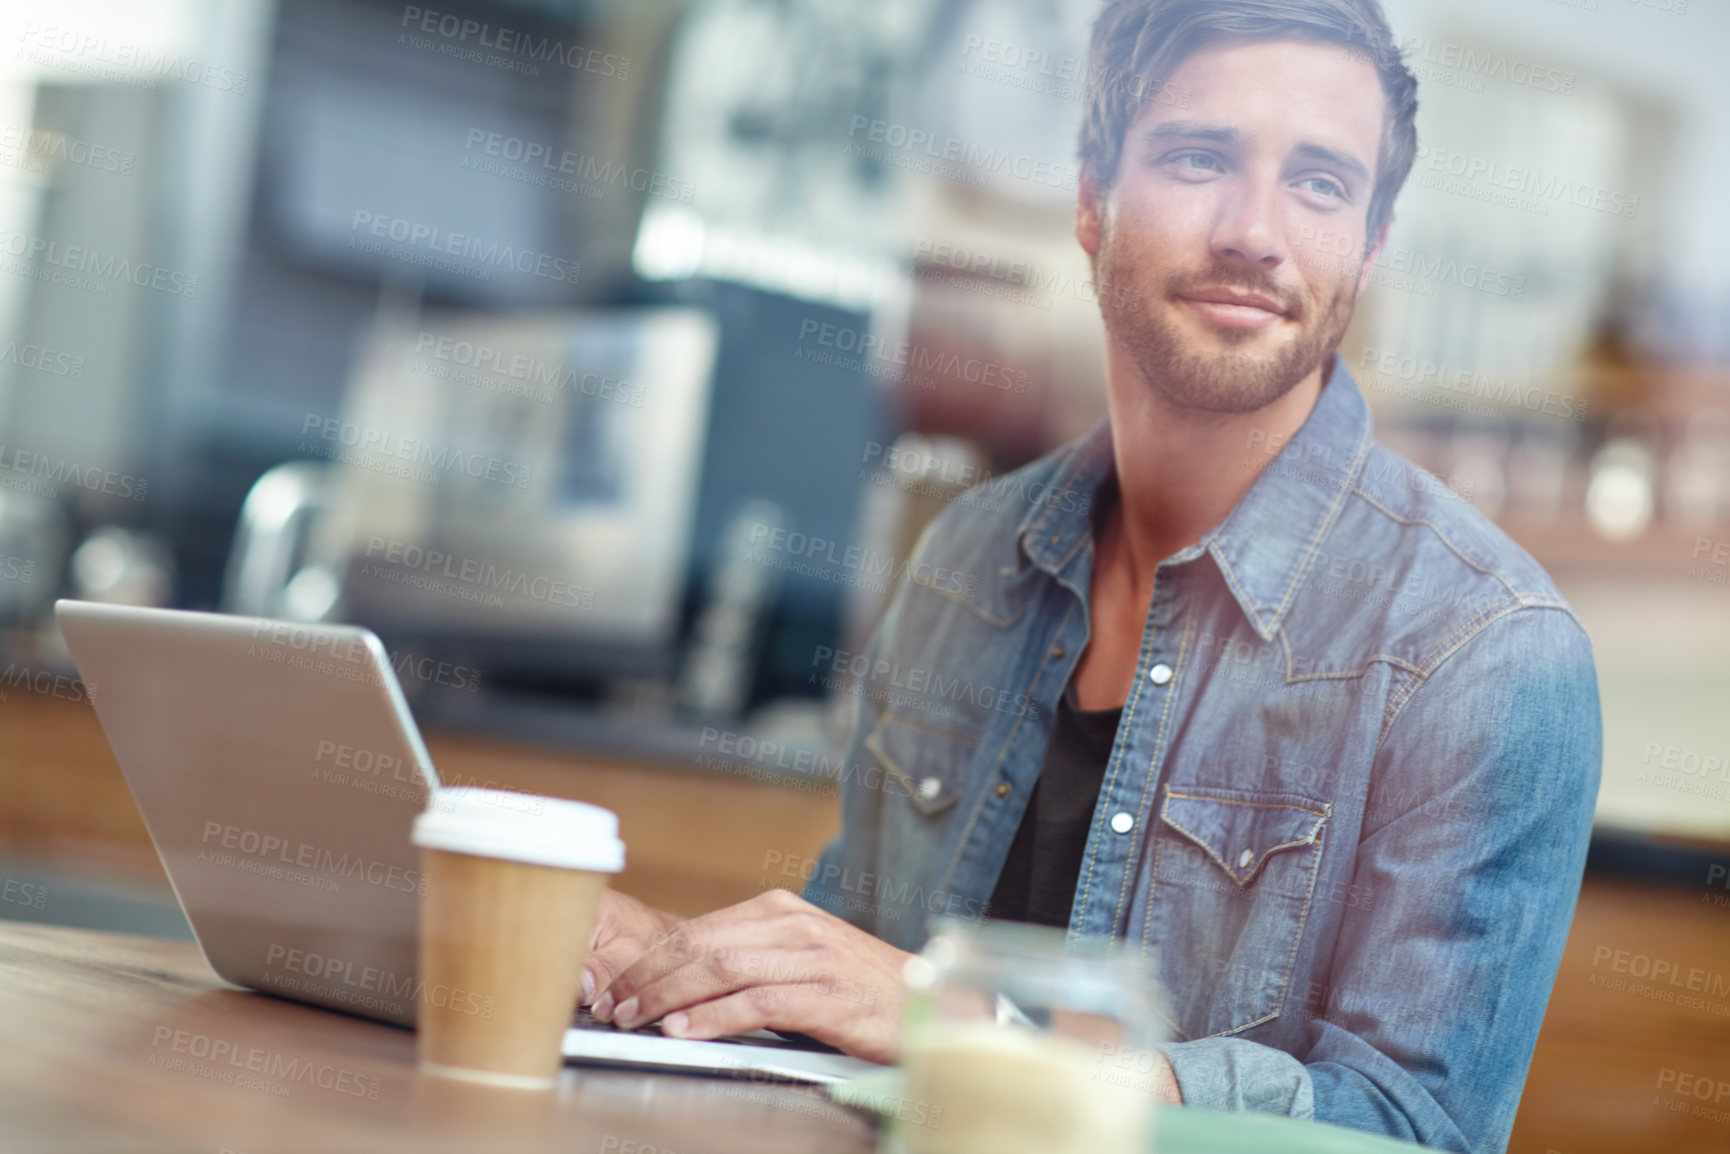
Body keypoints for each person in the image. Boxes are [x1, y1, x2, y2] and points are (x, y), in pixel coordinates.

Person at [581, 1, 1601, 1148]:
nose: (1253, 231)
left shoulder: (1481, 648)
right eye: (1199, 156)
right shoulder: (968, 559)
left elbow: (1410, 1126)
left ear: (1367, 245)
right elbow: (848, 993)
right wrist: (663, 965)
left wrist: (945, 1011)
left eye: (1319, 183)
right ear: (1088, 198)